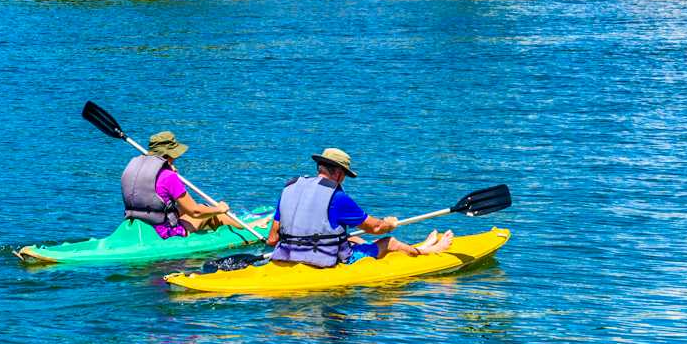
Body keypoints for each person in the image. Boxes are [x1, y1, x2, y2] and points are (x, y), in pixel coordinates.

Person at [264, 147, 452, 267]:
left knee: (356, 241)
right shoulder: (337, 197)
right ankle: (427, 251)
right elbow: (376, 228)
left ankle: (419, 246)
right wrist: (389, 224)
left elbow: (272, 239)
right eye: (344, 175)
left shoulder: (290, 189)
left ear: (320, 167)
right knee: (390, 242)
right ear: (338, 173)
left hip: (285, 256)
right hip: (323, 260)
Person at [121, 131, 235, 239]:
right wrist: (219, 209)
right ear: (171, 154)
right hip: (165, 233)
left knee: (197, 209)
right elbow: (195, 212)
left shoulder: (131, 171)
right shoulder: (169, 177)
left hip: (139, 225)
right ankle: (244, 230)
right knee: (211, 213)